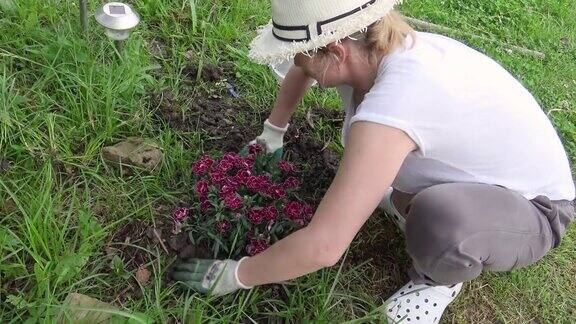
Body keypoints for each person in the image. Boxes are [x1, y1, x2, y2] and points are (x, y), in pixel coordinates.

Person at [171, 0, 575, 322]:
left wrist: (237, 274)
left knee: (441, 223)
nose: (296, 63)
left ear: (334, 50)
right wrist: (273, 131)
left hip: (535, 209)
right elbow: (305, 71)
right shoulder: (375, 49)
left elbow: (324, 246)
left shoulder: (396, 102)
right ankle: (409, 200)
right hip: (480, 174)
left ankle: (436, 281)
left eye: (300, 54)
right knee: (396, 193)